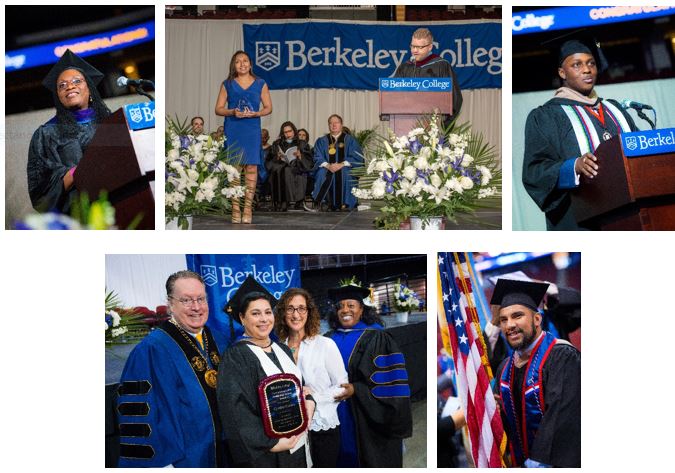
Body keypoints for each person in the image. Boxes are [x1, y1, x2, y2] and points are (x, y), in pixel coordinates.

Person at [116, 271, 230, 467]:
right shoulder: (151, 350)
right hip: (185, 459)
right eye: (186, 300)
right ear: (170, 303)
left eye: (201, 299)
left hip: (228, 452)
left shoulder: (219, 340)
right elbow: (140, 416)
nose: (196, 307)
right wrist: (163, 465)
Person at [522, 38, 638, 230]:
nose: (587, 70)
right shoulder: (546, 116)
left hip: (627, 216)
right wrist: (573, 166)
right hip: (579, 221)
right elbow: (535, 173)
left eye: (591, 63)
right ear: (562, 72)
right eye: (577, 65)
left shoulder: (615, 110)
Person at [217, 276, 315, 467]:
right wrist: (271, 443)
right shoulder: (237, 356)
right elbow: (235, 410)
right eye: (255, 313)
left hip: (299, 444)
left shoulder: (283, 349)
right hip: (269, 454)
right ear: (242, 318)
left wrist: (310, 402)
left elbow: (299, 388)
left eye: (268, 312)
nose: (264, 319)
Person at [490, 277, 581, 468]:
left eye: (517, 316)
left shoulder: (562, 356)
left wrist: (536, 464)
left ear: (537, 319)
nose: (509, 325)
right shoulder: (505, 368)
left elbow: (562, 418)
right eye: (504, 319)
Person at [325, 283, 413, 467]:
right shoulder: (327, 338)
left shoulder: (377, 337)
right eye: (340, 306)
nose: (345, 310)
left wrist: (356, 389)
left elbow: (390, 385)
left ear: (361, 309)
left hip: (365, 418)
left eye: (351, 305)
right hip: (334, 414)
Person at [27, 49, 112, 213]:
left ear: (90, 88)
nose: (70, 86)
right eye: (62, 85)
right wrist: (81, 169)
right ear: (58, 96)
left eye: (77, 81)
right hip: (77, 217)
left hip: (122, 208)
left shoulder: (111, 123)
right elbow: (40, 194)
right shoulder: (46, 134)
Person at [274, 288, 349, 467]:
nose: (296, 314)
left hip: (322, 426)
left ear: (309, 312)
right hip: (291, 431)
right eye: (290, 308)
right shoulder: (277, 349)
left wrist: (313, 398)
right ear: (283, 313)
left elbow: (343, 386)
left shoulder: (325, 345)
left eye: (301, 308)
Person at [215, 50, 272, 224]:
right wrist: (232, 111)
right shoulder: (228, 84)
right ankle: (235, 207)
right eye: (238, 61)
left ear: (250, 64)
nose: (242, 64)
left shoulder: (260, 83)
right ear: (234, 65)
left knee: (252, 168)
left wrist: (256, 113)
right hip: (234, 127)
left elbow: (268, 107)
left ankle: (247, 207)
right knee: (234, 170)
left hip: (252, 128)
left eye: (245, 61)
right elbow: (218, 109)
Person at [394, 27, 463, 122]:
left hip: (435, 126)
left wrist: (444, 123)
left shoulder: (441, 65)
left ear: (430, 47)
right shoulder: (405, 67)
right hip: (406, 124)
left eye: (419, 47)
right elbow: (394, 96)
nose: (415, 50)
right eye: (413, 46)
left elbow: (454, 98)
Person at [311, 114, 363, 211]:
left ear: (341, 125)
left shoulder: (350, 140)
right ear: (328, 125)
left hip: (344, 167)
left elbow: (357, 156)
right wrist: (327, 165)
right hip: (327, 167)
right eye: (331, 123)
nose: (333, 125)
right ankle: (322, 203)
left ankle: (346, 203)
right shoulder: (322, 141)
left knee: (346, 172)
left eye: (336, 123)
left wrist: (341, 164)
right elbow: (317, 156)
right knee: (322, 173)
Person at [265, 121, 314, 211]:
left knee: (291, 171)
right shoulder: (277, 143)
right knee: (279, 170)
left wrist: (300, 156)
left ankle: (297, 201)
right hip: (281, 166)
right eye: (285, 132)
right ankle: (281, 201)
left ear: (294, 131)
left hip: (298, 165)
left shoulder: (301, 143)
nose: (288, 134)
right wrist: (277, 157)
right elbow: (270, 159)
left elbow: (309, 159)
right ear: (282, 133)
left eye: (290, 131)